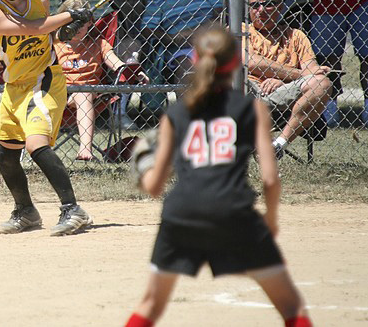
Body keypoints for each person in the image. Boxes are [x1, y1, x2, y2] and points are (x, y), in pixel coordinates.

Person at [124, 26, 312, 327]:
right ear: (236, 64)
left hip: (182, 212)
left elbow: (155, 187)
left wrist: (144, 166)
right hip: (233, 211)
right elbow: (270, 180)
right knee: (291, 306)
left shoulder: (177, 113)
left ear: (195, 61)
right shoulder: (251, 109)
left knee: (150, 305)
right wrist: (271, 221)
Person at [0, 0, 94, 236]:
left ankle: (73, 209)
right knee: (6, 155)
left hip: (44, 81)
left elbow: (47, 29)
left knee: (36, 145)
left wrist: (68, 26)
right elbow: (32, 29)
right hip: (13, 88)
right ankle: (26, 212)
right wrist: (69, 16)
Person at [53, 0, 149, 161]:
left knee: (83, 94)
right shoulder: (53, 42)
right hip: (58, 94)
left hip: (91, 96)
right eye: (72, 22)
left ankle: (85, 149)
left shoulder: (99, 43)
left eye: (81, 22)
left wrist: (134, 72)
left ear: (90, 22)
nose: (76, 28)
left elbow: (117, 63)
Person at [243, 0, 332, 158]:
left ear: (280, 7)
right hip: (248, 93)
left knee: (322, 83)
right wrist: (298, 75)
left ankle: (278, 145)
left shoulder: (296, 36)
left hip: (282, 94)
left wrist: (283, 81)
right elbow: (251, 63)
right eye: (255, 5)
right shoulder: (241, 31)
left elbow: (314, 72)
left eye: (268, 4)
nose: (261, 10)